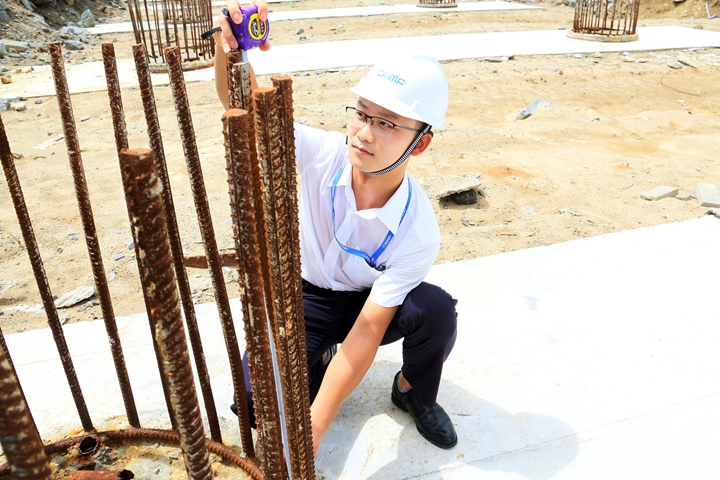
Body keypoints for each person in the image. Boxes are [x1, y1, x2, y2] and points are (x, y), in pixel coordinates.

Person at [212, 0, 458, 457]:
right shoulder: (320, 154)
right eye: (362, 114)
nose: (364, 133)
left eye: (387, 124)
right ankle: (320, 355)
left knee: (435, 311)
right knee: (255, 405)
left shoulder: (417, 230)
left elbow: (367, 331)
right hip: (305, 297)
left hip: (368, 304)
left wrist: (315, 428)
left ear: (420, 144)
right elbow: (242, 102)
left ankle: (412, 389)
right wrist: (231, 50)